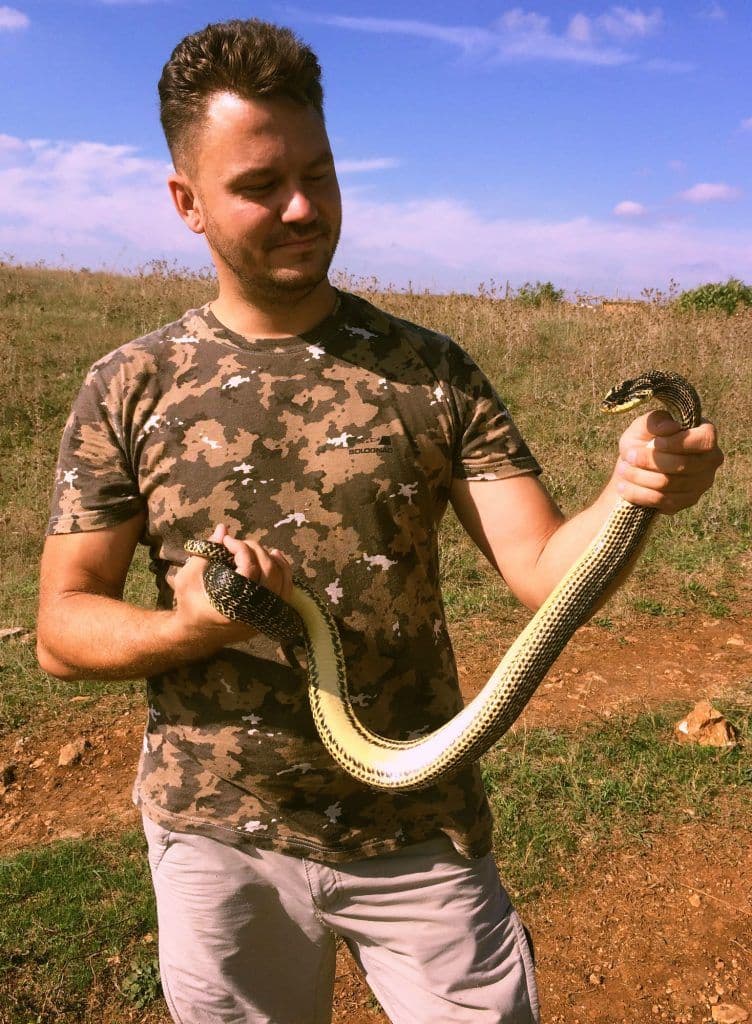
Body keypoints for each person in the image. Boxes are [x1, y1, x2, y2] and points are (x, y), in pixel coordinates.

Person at [36, 18, 723, 1024]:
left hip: (419, 828)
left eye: (318, 171)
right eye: (260, 185)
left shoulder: (430, 371)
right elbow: (61, 625)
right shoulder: (130, 385)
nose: (304, 206)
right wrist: (192, 628)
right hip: (219, 842)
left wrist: (634, 493)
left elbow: (538, 567)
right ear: (185, 201)